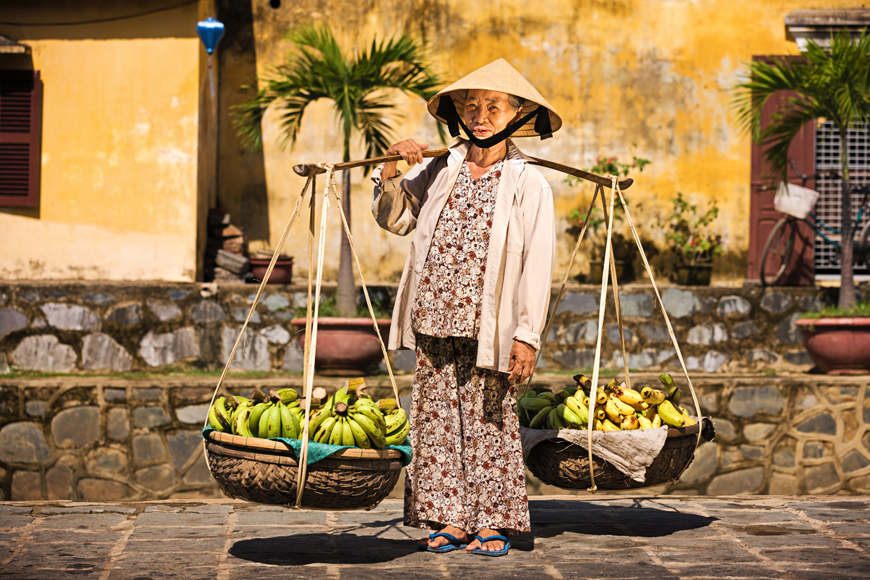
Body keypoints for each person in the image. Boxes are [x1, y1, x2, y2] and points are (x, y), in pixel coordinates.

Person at [370, 59, 560, 557]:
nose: (480, 116)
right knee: (436, 418)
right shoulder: (440, 167)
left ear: (517, 114)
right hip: (434, 313)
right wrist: (392, 166)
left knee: (488, 419)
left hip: (490, 322)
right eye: (471, 106)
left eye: (494, 107)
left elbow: (538, 264)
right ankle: (448, 518)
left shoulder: (527, 182)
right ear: (457, 113)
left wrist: (527, 334)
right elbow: (396, 218)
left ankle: (491, 519)